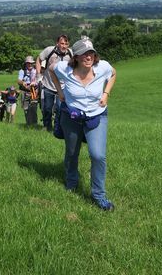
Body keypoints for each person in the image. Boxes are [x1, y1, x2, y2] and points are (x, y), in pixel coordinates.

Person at [52, 37, 117, 211]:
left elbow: (114, 74)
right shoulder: (64, 68)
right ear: (76, 57)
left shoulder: (102, 67)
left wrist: (105, 94)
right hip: (71, 117)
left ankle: (99, 195)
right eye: (84, 54)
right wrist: (60, 92)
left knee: (98, 155)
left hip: (96, 116)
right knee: (72, 152)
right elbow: (51, 70)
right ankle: (71, 183)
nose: (88, 57)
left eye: (91, 53)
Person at [36, 34, 73, 133]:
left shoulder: (70, 54)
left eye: (66, 43)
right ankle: (47, 126)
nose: (64, 46)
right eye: (62, 43)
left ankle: (57, 128)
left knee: (60, 109)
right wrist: (38, 75)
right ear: (57, 43)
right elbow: (39, 60)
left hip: (62, 87)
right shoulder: (49, 50)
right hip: (48, 85)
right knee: (47, 108)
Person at [18, 55, 38, 126]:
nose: (30, 64)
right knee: (26, 109)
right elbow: (19, 81)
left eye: (31, 63)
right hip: (25, 91)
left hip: (34, 91)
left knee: (34, 108)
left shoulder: (36, 71)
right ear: (25, 64)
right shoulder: (22, 71)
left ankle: (35, 124)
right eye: (28, 63)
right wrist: (23, 83)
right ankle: (28, 123)